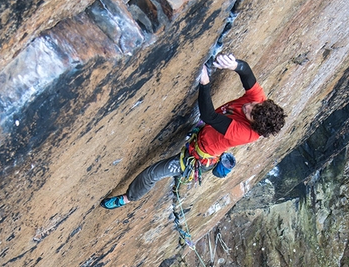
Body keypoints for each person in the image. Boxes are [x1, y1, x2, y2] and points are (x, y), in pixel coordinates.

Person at [100, 53, 286, 209]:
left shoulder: (245, 133)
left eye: (251, 113)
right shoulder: (259, 104)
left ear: (254, 125)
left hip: (197, 157)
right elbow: (246, 72)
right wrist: (234, 64)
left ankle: (127, 198)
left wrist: (205, 83)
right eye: (253, 105)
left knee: (152, 174)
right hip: (201, 134)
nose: (248, 106)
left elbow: (209, 116)